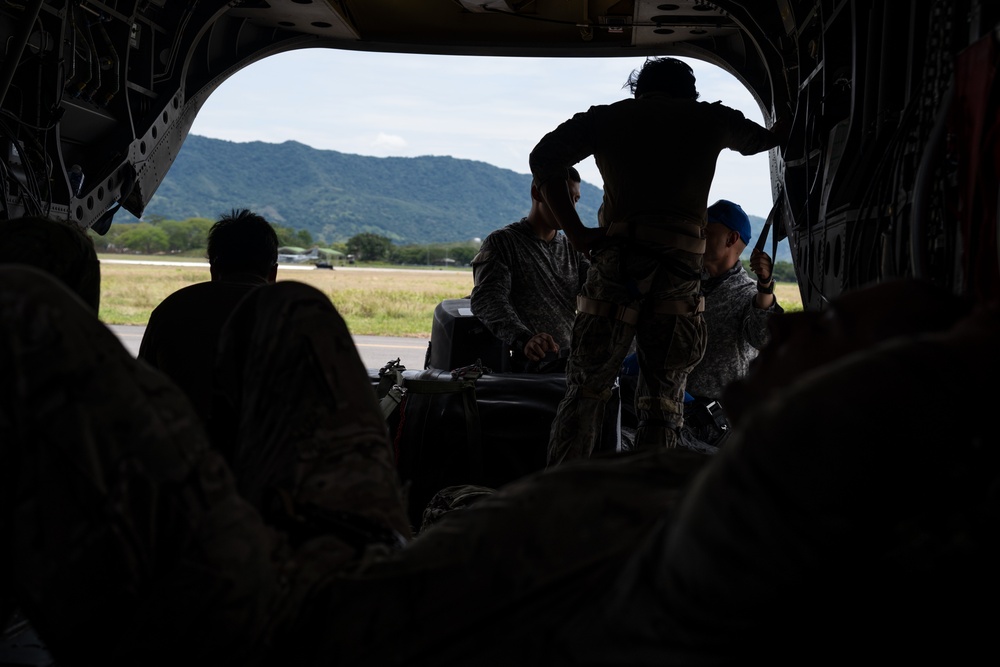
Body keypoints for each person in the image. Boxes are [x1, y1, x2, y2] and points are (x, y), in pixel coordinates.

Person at [3, 272, 996, 665]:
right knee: (285, 315)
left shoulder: (731, 569)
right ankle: (153, 526)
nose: (787, 326)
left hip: (288, 634)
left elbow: (830, 442)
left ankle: (155, 586)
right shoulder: (689, 464)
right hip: (373, 554)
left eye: (827, 328)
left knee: (27, 320)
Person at [528, 56, 788, 464]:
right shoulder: (710, 119)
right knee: (664, 404)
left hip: (616, 268)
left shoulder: (607, 120)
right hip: (679, 277)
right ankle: (649, 505)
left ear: (640, 90)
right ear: (691, 93)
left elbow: (544, 158)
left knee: (585, 392)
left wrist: (576, 232)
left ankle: (560, 498)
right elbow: (767, 139)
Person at [137, 208, 279, 425]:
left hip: (185, 449)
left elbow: (141, 392)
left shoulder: (171, 309)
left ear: (214, 269)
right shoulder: (299, 313)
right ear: (273, 273)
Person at [469, 168, 589, 372]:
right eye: (565, 198)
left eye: (575, 200)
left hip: (567, 367)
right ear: (537, 193)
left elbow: (597, 290)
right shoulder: (504, 243)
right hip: (522, 369)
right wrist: (524, 339)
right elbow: (488, 300)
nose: (572, 208)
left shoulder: (573, 249)